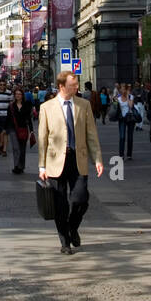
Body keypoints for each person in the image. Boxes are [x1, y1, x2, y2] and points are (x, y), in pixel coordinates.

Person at [37, 71, 104, 255]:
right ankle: (65, 241)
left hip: (77, 159)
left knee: (81, 199)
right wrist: (42, 166)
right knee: (60, 205)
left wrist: (97, 159)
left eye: (77, 84)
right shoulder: (46, 108)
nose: (76, 87)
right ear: (61, 86)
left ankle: (73, 227)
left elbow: (91, 134)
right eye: (72, 85)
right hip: (55, 161)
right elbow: (42, 139)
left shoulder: (84, 105)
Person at [5, 87, 33, 174]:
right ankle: (16, 166)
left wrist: (31, 130)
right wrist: (6, 129)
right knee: (15, 148)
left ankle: (21, 166)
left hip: (24, 129)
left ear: (22, 96)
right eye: (16, 94)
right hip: (13, 129)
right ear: (14, 95)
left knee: (22, 149)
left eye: (19, 94)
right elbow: (8, 118)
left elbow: (29, 118)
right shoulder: (11, 106)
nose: (18, 96)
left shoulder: (27, 105)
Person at [111, 83, 136, 160]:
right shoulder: (118, 97)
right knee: (122, 137)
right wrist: (114, 100)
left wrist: (128, 96)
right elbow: (114, 104)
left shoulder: (131, 96)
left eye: (124, 88)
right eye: (121, 89)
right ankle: (121, 154)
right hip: (122, 118)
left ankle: (129, 155)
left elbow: (131, 106)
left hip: (130, 118)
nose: (123, 90)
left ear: (126, 89)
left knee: (130, 137)